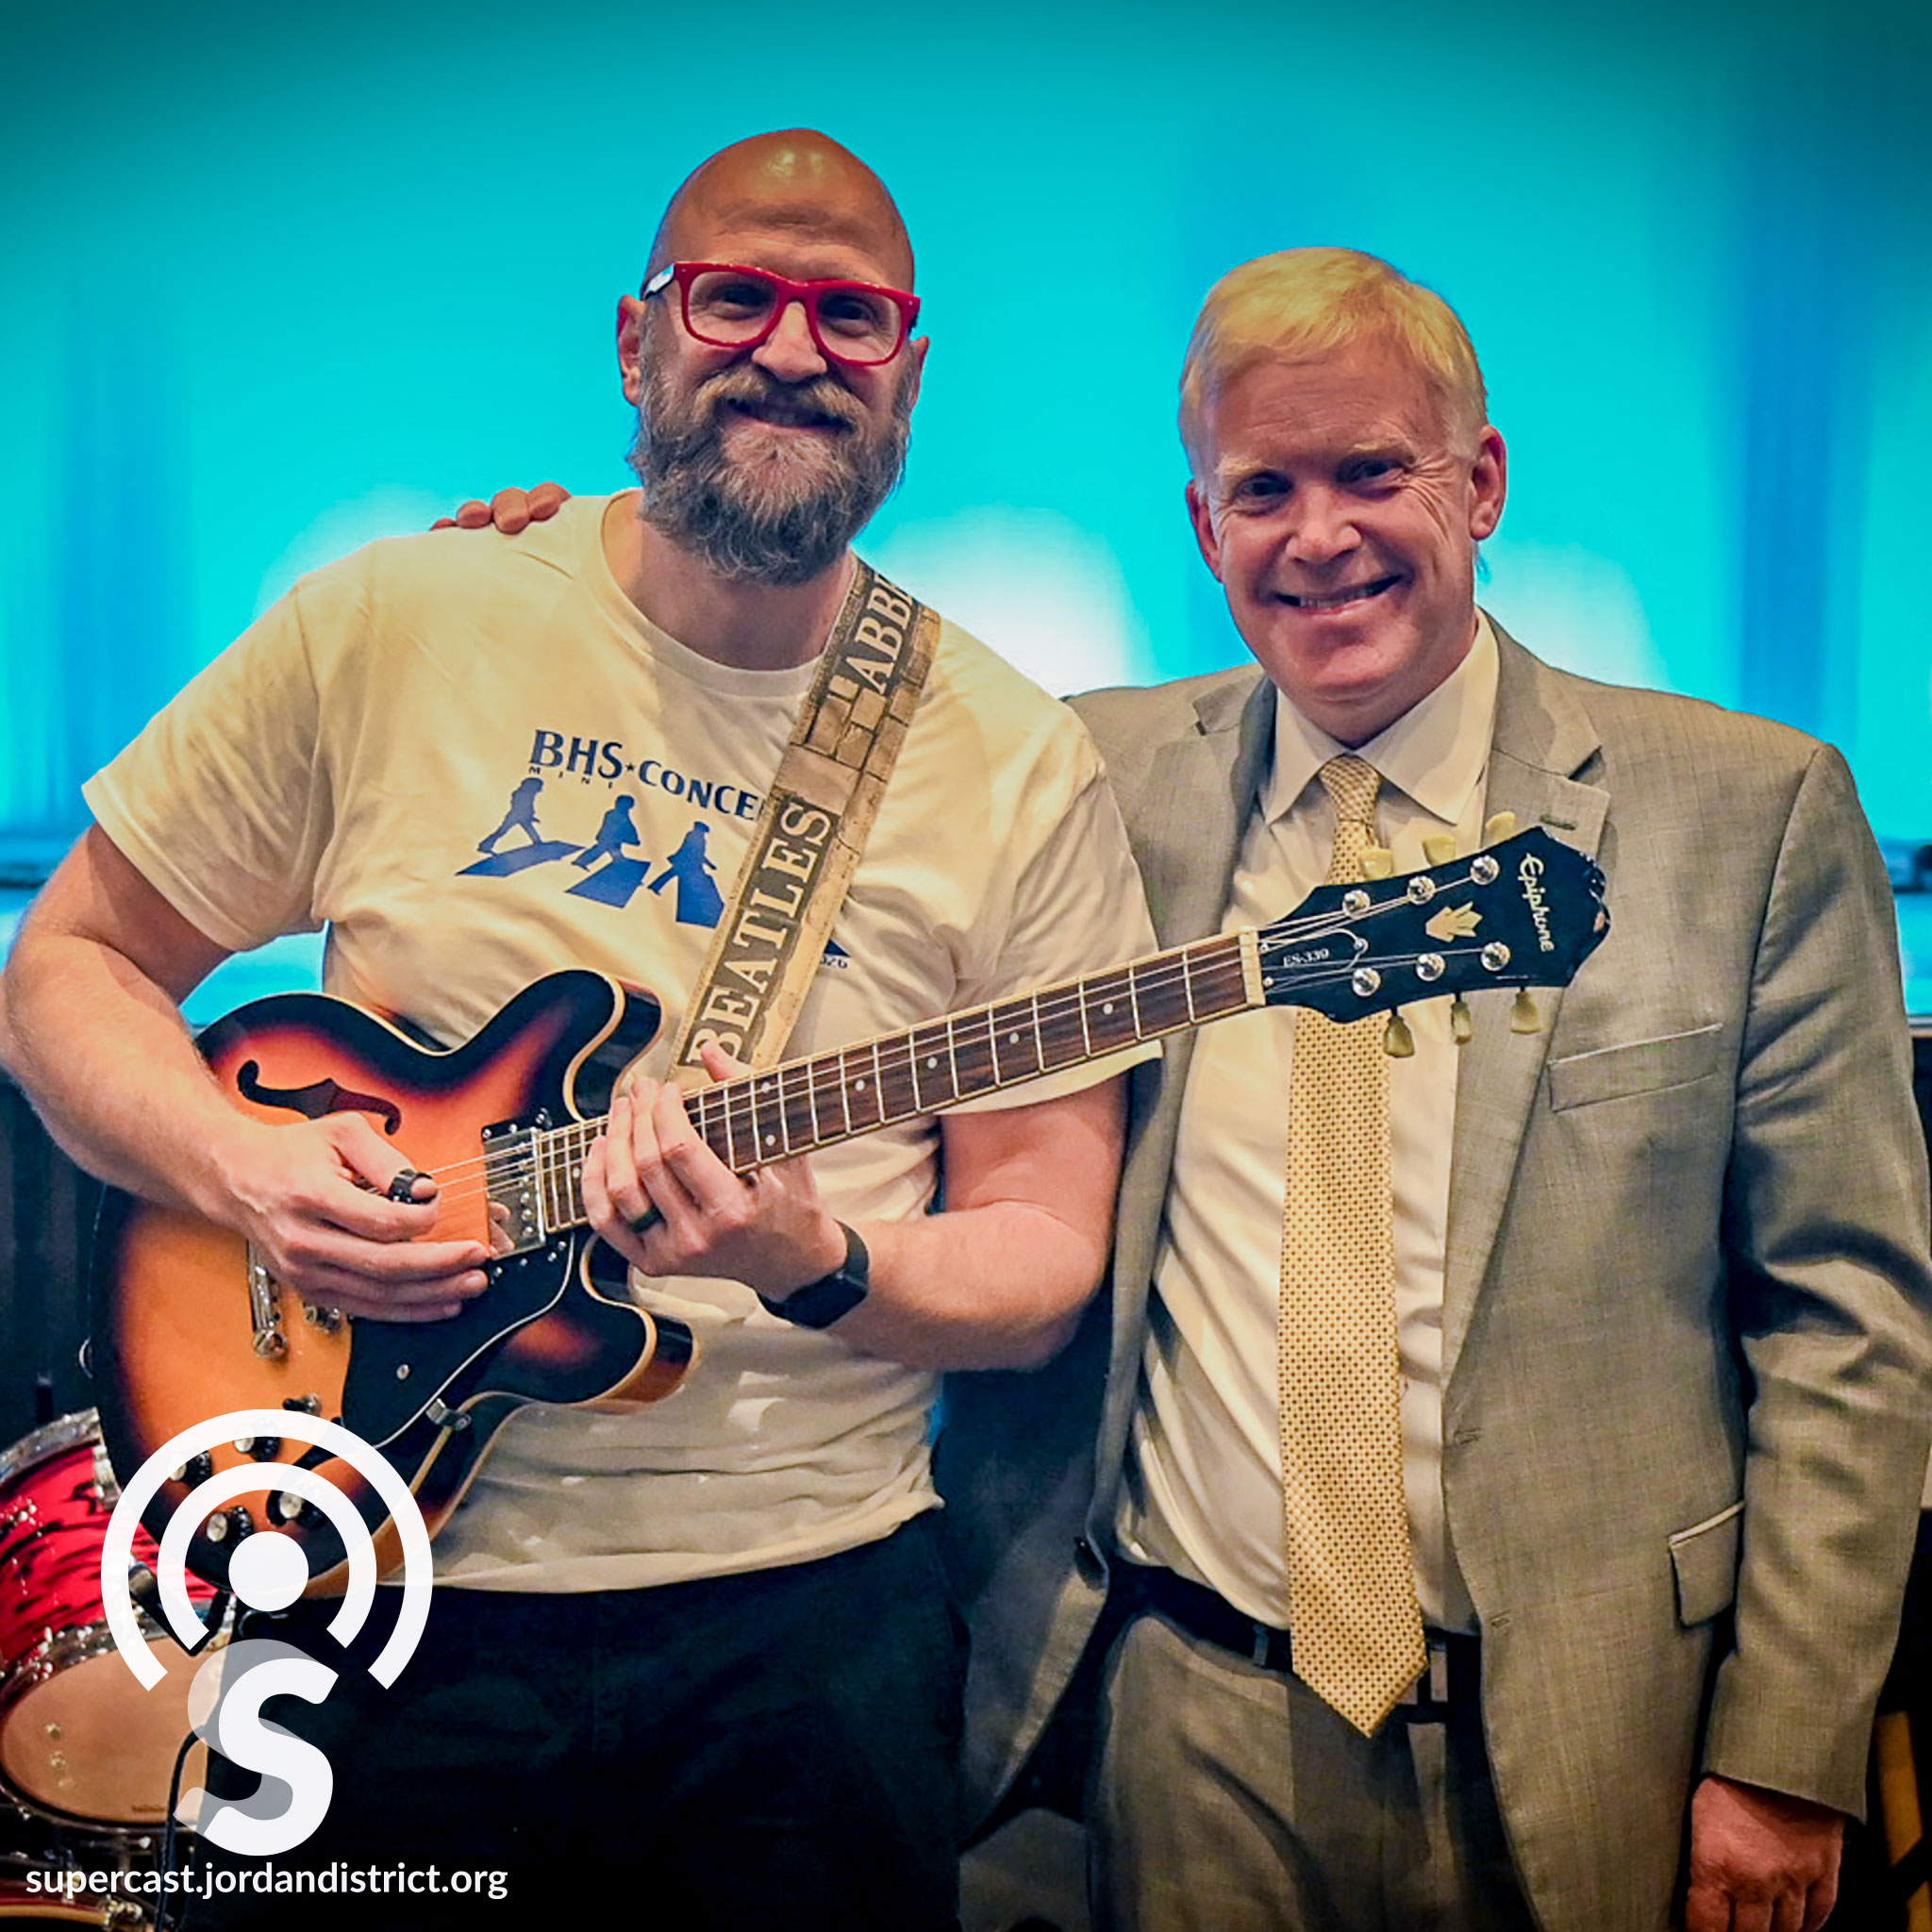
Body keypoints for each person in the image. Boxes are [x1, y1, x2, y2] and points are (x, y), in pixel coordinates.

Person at [0, 130, 1155, 1931]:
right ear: (637, 341)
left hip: (808, 1632)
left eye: (850, 316)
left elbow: (1041, 1254)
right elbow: (67, 966)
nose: (792, 349)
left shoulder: (1012, 761)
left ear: (911, 374)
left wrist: (816, 1259)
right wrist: (242, 1166)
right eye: (735, 298)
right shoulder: (405, 620)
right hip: (357, 1590)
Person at [934, 248, 1932, 1932]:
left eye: (1370, 471)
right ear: (1203, 525)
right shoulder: (1089, 775)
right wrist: (537, 570)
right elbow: (791, 701)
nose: (1317, 536)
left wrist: (1786, 1749)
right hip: (1187, 1719)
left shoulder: (1747, 812)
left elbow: (1852, 1318)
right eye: (1264, 489)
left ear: (1481, 485)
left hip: (1600, 1733)